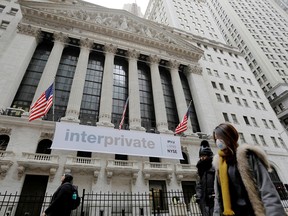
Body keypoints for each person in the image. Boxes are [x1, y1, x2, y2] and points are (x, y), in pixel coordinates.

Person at [212, 123, 285, 216]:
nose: (218, 142)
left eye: (220, 138)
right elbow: (218, 198)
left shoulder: (248, 156)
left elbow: (266, 189)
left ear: (229, 137)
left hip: (253, 212)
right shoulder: (219, 164)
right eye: (216, 139)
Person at [195, 140, 215, 216]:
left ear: (209, 155)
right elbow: (199, 184)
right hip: (204, 199)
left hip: (214, 198)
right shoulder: (200, 169)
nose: (202, 158)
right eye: (201, 156)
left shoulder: (215, 166)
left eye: (204, 156)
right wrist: (198, 196)